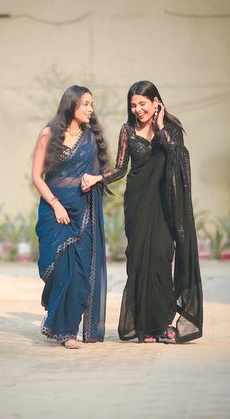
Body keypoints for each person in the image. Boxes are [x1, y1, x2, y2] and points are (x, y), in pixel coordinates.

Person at [81, 80, 203, 344]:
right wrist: (97, 178)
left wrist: (159, 128)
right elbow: (121, 168)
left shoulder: (171, 129)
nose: (137, 109)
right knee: (137, 261)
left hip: (164, 205)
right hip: (137, 203)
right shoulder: (127, 130)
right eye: (133, 104)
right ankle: (144, 327)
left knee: (160, 259)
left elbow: (178, 156)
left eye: (142, 104)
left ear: (156, 102)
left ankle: (160, 325)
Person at [32, 85, 108, 349]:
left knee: (78, 272)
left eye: (92, 104)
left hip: (83, 212)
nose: (90, 109)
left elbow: (97, 174)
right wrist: (56, 205)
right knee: (59, 269)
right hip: (55, 213)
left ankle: (67, 332)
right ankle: (58, 320)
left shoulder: (90, 138)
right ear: (71, 104)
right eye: (86, 103)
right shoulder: (48, 134)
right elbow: (36, 177)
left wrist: (92, 181)